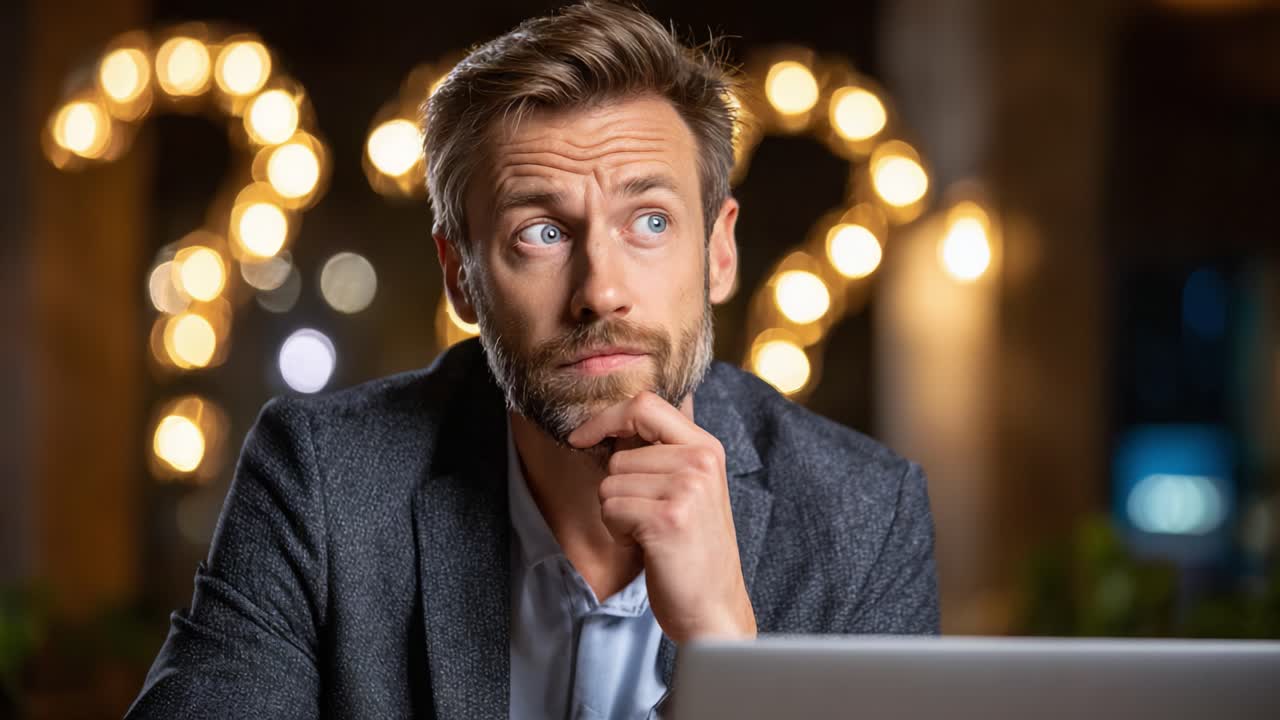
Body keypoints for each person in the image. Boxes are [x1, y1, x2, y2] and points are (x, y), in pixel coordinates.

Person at [125, 2, 939, 718]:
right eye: (541, 233)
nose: (601, 291)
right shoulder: (321, 479)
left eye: (650, 221)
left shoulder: (865, 516)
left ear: (719, 252)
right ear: (461, 278)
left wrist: (725, 653)